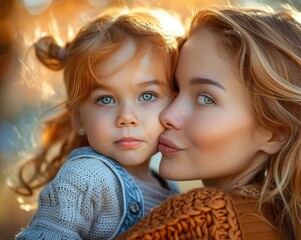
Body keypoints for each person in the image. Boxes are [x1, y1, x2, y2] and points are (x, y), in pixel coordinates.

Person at [116, 4, 301, 240]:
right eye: (175, 88)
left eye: (205, 98)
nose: (168, 115)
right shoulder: (285, 223)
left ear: (276, 132)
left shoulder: (205, 217)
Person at [11, 7, 182, 239]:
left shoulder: (169, 188)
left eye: (147, 95)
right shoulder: (86, 177)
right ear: (78, 118)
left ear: (174, 102)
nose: (126, 117)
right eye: (106, 99)